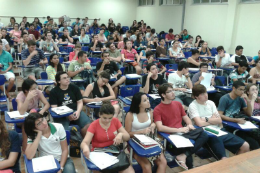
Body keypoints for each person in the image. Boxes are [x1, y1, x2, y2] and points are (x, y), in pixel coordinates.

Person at [154, 83, 208, 170]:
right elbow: (160, 127)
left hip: (183, 133)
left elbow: (186, 117)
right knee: (187, 146)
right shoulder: (157, 109)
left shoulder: (177, 104)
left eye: (173, 90)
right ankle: (190, 167)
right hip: (171, 137)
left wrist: (189, 125)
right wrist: (179, 129)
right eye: (169, 91)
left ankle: (183, 156)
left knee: (204, 134)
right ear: (163, 95)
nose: (173, 93)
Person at [188, 84, 249, 160]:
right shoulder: (193, 105)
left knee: (245, 146)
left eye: (206, 93)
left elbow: (219, 120)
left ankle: (234, 165)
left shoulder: (211, 103)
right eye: (202, 94)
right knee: (223, 158)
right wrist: (213, 120)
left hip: (219, 130)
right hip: (207, 134)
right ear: (196, 96)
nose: (206, 95)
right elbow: (199, 124)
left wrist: (206, 119)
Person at [81, 101, 135, 173]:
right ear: (100, 114)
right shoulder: (94, 125)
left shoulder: (115, 121)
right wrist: (85, 148)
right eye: (105, 118)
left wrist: (120, 134)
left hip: (114, 151)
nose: (107, 120)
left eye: (110, 118)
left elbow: (127, 137)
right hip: (99, 153)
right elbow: (85, 142)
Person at [125, 92, 167, 173]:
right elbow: (127, 134)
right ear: (139, 104)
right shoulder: (130, 115)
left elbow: (152, 123)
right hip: (134, 143)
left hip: (149, 140)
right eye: (145, 100)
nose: (148, 101)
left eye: (147, 99)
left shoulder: (150, 112)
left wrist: (153, 125)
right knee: (147, 166)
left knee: (163, 162)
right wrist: (141, 131)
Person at [218, 81, 260, 150]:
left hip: (240, 124)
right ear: (234, 88)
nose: (242, 92)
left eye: (243, 90)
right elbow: (220, 115)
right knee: (254, 144)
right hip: (229, 126)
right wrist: (235, 120)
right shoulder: (225, 98)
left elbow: (249, 114)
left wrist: (248, 100)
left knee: (257, 138)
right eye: (240, 89)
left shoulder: (240, 98)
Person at [49, 71, 91, 136]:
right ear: (59, 81)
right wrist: (67, 115)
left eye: (68, 77)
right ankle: (68, 145)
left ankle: (83, 143)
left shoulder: (74, 88)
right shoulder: (54, 92)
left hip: (75, 111)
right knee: (64, 131)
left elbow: (80, 102)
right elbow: (54, 107)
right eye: (64, 78)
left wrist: (78, 112)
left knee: (88, 126)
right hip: (61, 114)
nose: (67, 79)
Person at [16, 79, 50, 151]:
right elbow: (21, 112)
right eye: (33, 89)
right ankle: (26, 150)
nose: (36, 90)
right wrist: (28, 99)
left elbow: (47, 104)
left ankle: (43, 147)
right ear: (26, 90)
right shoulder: (20, 96)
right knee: (25, 126)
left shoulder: (38, 92)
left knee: (43, 123)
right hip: (23, 119)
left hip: (35, 116)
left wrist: (42, 111)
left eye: (36, 88)